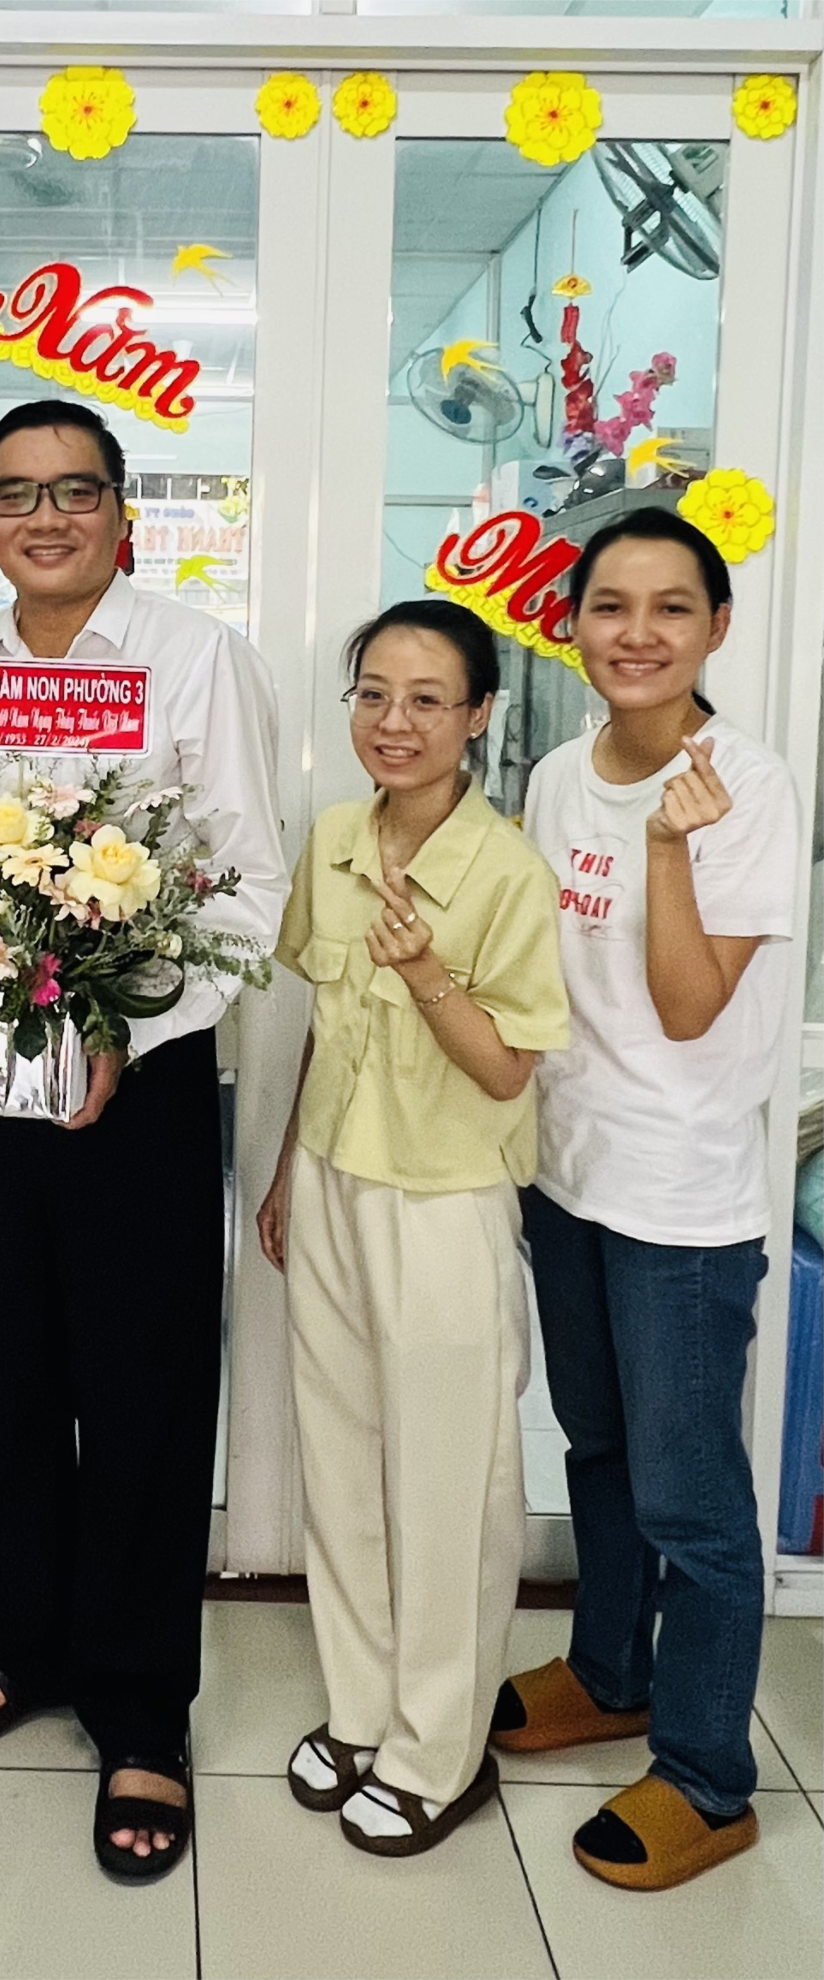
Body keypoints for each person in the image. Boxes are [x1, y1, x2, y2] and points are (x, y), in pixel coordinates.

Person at [0, 399, 286, 1880]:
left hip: (143, 1082)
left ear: (124, 512)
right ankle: (34, 1645)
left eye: (74, 491)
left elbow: (246, 885)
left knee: (141, 1390)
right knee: (9, 1374)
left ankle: (139, 1704)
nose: (44, 517)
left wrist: (125, 1013)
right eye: (15, 493)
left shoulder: (194, 656)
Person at [495, 506, 799, 1891]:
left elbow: (683, 1007)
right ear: (569, 626)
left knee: (692, 1503)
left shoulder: (748, 788)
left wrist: (669, 847)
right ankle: (608, 1672)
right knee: (597, 1449)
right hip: (569, 1170)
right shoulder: (560, 774)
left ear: (715, 628)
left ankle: (706, 1776)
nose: (636, 634)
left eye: (671, 607)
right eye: (609, 606)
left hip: (680, 1199)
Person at [257, 599, 569, 1856]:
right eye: (372, 695)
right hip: (331, 1179)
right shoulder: (334, 838)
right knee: (338, 1460)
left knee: (447, 1485)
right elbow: (320, 1029)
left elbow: (504, 1072)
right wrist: (285, 1172)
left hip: (441, 1203)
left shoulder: (506, 871)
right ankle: (361, 1710)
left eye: (426, 699)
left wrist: (427, 973)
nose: (393, 723)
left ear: (477, 715)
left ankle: (438, 1750)